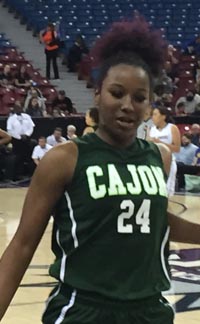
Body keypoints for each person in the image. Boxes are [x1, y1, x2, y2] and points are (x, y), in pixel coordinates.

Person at [1, 16, 200, 324]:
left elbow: (152, 219)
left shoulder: (159, 157)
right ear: (97, 93)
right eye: (117, 93)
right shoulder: (64, 159)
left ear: (149, 105)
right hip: (82, 309)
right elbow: (23, 244)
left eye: (139, 98)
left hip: (150, 310)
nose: (127, 105)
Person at [148, 105, 181, 196]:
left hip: (168, 162)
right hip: (154, 162)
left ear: (163, 116)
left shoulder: (172, 128)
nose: (152, 117)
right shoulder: (151, 129)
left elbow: (177, 149)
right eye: (152, 115)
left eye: (155, 114)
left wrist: (160, 143)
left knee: (166, 191)